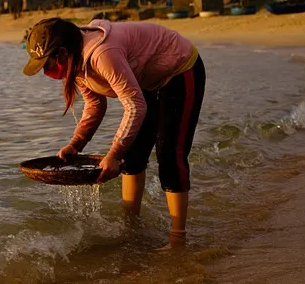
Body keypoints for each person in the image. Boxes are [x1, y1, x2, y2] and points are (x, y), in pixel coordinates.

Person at [22, 18, 205, 250]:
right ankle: (132, 227)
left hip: (180, 69)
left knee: (169, 154)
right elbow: (95, 105)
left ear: (61, 54)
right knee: (133, 157)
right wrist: (76, 144)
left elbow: (135, 106)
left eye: (46, 65)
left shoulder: (101, 54)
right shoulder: (76, 61)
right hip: (147, 81)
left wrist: (114, 153)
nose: (46, 71)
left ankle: (178, 240)